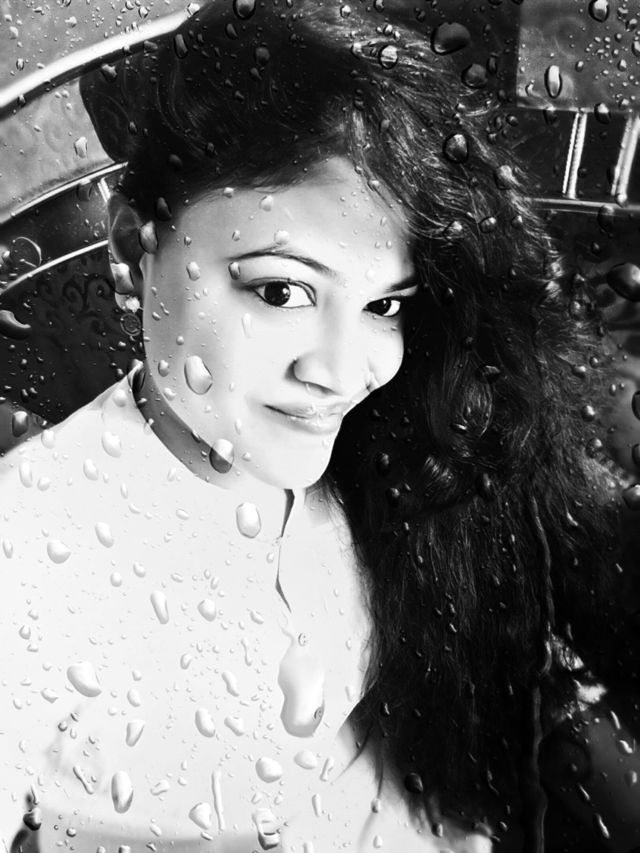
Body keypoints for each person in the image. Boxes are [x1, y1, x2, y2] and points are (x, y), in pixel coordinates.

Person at [1, 2, 630, 851]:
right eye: (281, 290)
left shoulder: (401, 453)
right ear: (132, 246)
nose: (341, 370)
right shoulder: (28, 558)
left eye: (383, 305)